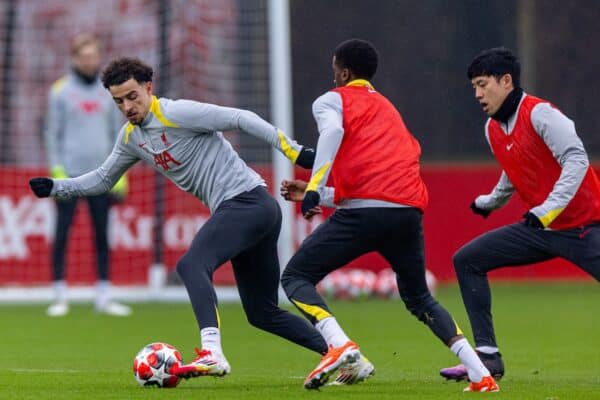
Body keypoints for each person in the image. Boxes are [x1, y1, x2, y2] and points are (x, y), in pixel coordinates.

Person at [30, 57, 330, 381]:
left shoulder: (176, 113)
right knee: (262, 312)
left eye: (132, 96)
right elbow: (103, 179)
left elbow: (241, 118)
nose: (127, 106)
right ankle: (339, 352)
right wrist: (57, 187)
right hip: (253, 211)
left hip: (247, 202)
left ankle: (212, 352)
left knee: (190, 264)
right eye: (119, 101)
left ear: (148, 88)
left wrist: (294, 151)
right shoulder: (131, 138)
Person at [279, 39, 499, 392]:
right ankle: (480, 373)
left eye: (335, 69)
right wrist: (315, 191)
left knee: (295, 277)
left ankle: (339, 345)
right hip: (406, 213)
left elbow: (332, 133)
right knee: (419, 298)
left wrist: (316, 188)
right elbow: (376, 185)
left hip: (366, 215)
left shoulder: (331, 100)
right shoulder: (387, 109)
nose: (333, 75)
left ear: (344, 72)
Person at [439, 47, 600, 382]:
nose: (478, 94)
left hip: (584, 227)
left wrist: (547, 209)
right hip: (541, 228)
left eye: (483, 84)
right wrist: (491, 201)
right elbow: (514, 169)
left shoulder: (542, 114)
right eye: (474, 87)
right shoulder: (492, 128)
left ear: (506, 80)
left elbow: (577, 161)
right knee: (467, 260)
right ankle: (487, 359)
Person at [43, 33, 130, 317]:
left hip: (102, 175)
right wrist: (57, 169)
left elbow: (116, 133)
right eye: (85, 56)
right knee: (62, 234)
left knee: (102, 235)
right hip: (69, 176)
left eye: (94, 56)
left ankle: (103, 295)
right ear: (75, 59)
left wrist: (121, 173)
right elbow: (52, 134)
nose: (91, 61)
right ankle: (59, 294)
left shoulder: (110, 92)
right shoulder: (60, 91)